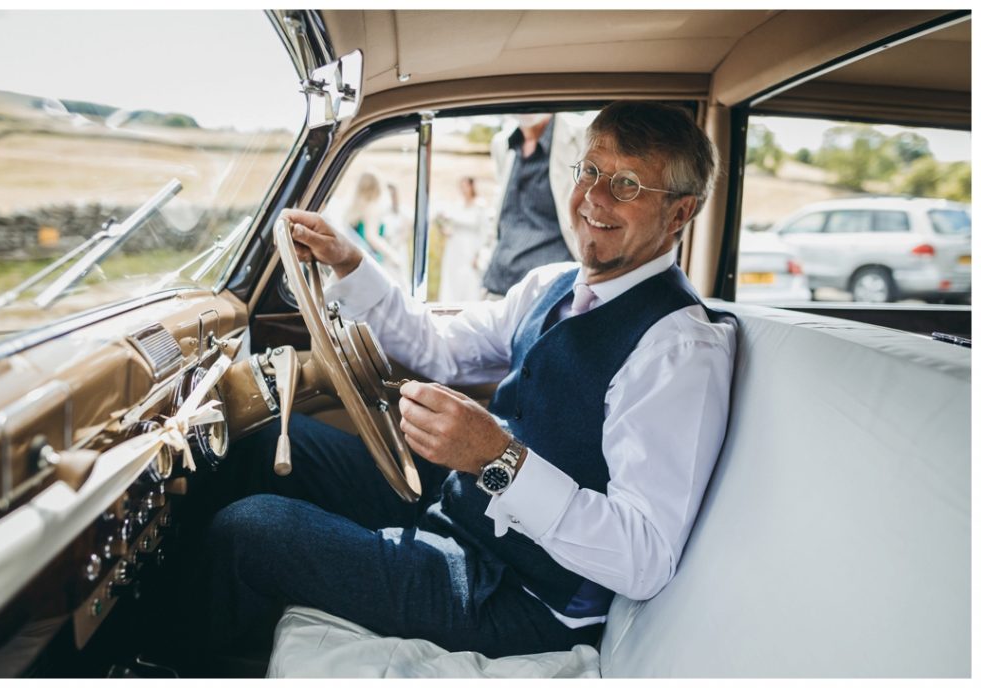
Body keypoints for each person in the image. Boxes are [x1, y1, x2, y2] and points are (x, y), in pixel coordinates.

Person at [203, 102, 737, 660]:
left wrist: (495, 458)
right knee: (262, 439)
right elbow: (440, 349)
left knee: (250, 532)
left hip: (517, 593)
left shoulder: (678, 350)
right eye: (589, 171)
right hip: (460, 509)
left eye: (626, 185)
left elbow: (643, 558)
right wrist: (349, 263)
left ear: (679, 215)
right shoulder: (550, 285)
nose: (593, 198)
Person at [479, 112, 586, 297]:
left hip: (552, 294)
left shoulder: (581, 135)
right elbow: (501, 213)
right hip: (498, 287)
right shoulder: (502, 144)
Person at [438, 176, 489, 302]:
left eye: (465, 186)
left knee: (469, 278)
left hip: (470, 247)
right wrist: (446, 230)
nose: (463, 189)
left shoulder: (480, 205)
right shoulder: (457, 204)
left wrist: (478, 254)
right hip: (455, 247)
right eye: (461, 187)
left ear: (471, 186)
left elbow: (484, 231)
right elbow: (450, 224)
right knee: (452, 278)